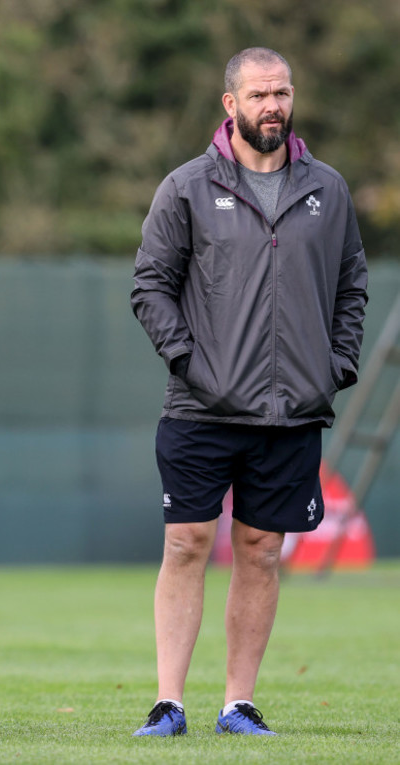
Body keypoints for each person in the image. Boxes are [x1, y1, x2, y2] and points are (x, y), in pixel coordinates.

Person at [130, 47, 367, 737]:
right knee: (187, 542)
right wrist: (187, 360)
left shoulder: (329, 188)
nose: (274, 105)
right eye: (260, 94)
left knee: (262, 548)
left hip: (293, 409)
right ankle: (168, 702)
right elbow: (149, 285)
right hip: (200, 407)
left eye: (283, 92)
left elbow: (351, 286)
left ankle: (239, 702)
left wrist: (337, 365)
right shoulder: (185, 187)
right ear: (229, 104)